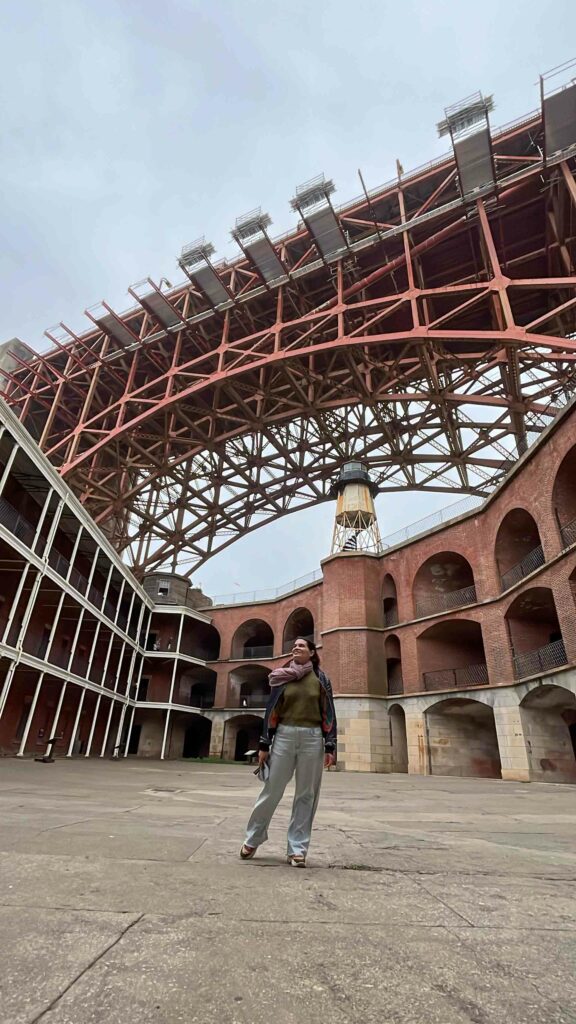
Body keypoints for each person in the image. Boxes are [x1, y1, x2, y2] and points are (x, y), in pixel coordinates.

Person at [240, 637, 337, 868]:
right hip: (283, 735)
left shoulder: (321, 679)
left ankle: (297, 849)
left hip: (313, 738)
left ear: (312, 653)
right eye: (294, 645)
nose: (296, 647)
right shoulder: (281, 676)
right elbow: (271, 710)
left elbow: (329, 712)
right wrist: (264, 744)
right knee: (272, 789)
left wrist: (330, 745)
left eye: (302, 645)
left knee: (306, 794)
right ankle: (253, 838)